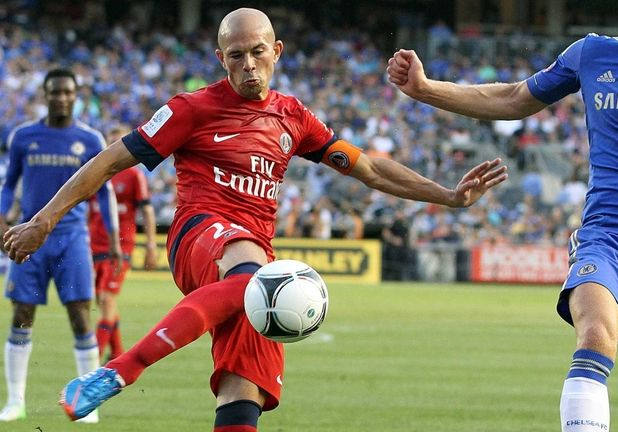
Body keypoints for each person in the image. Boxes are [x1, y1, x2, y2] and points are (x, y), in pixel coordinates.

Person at [2, 8, 507, 431]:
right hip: (201, 236)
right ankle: (120, 370)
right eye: (236, 56)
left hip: (253, 264)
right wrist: (44, 220)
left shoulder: (294, 117)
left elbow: (370, 168)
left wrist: (447, 195)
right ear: (220, 59)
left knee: (242, 391)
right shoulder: (190, 109)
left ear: (277, 51)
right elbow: (109, 161)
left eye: (258, 52)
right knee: (255, 278)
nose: (248, 65)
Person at [386, 0, 618, 431]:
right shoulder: (592, 53)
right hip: (607, 238)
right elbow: (514, 98)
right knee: (596, 335)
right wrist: (425, 88)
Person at [0, 68, 122, 423]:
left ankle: (87, 404)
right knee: (22, 314)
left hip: (73, 238)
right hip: (29, 236)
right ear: (45, 94)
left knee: (81, 315)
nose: (61, 98)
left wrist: (114, 239)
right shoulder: (24, 136)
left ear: (76, 95)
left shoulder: (90, 138)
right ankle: (15, 401)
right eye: (55, 92)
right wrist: (3, 217)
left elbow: (105, 192)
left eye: (68, 92)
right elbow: (9, 184)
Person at [89, 124, 158, 362]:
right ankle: (117, 352)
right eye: (112, 140)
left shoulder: (134, 175)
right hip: (94, 245)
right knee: (103, 301)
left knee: (107, 299)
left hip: (121, 246)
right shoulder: (98, 170)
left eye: (120, 140)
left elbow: (147, 212)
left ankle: (92, 361)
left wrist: (150, 244)